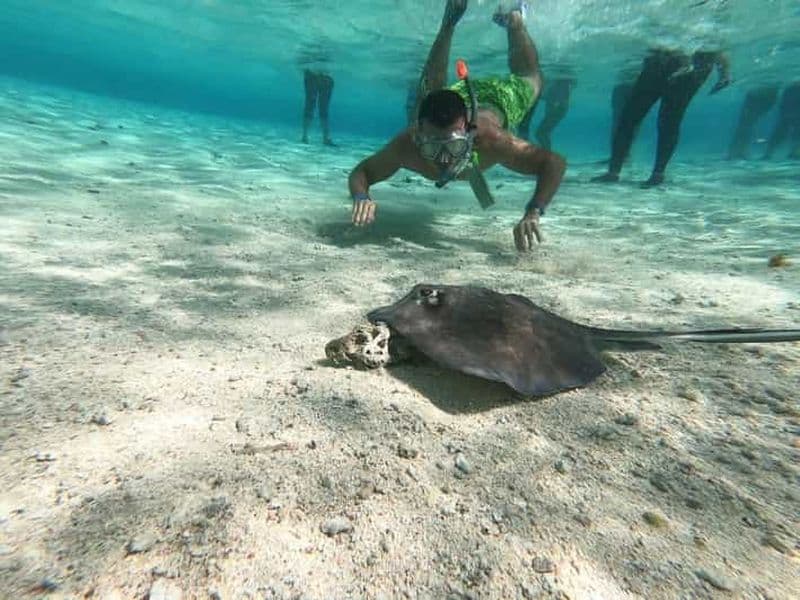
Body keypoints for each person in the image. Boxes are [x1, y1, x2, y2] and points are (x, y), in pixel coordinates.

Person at [347, 0, 565, 252]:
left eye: (453, 147)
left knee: (532, 79)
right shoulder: (409, 144)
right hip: (456, 97)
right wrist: (361, 197)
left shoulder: (491, 140)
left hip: (500, 101)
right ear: (419, 138)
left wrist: (533, 211)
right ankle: (449, 23)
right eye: (433, 148)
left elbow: (554, 163)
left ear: (470, 135)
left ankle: (515, 22)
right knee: (428, 98)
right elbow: (361, 173)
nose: (443, 160)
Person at [592, 48, 731, 187]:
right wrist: (724, 73)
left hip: (686, 68)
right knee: (632, 117)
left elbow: (716, 49)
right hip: (667, 63)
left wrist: (724, 73)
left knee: (666, 120)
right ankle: (616, 172)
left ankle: (655, 174)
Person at [517, 75, 575, 149]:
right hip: (556, 110)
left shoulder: (560, 88)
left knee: (541, 134)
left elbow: (558, 99)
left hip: (557, 112)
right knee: (541, 134)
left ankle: (546, 153)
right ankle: (545, 152)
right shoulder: (556, 88)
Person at [727, 85, 779, 160]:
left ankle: (738, 150)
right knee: (747, 124)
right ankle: (737, 151)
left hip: (764, 95)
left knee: (746, 124)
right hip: (762, 94)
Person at [763, 82, 800, 160]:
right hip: (790, 111)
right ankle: (794, 151)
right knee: (784, 131)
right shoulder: (790, 89)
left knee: (783, 131)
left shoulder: (790, 89)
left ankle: (769, 153)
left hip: (789, 111)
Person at [301, 69, 336, 146]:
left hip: (316, 76)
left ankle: (305, 136)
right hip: (323, 77)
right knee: (321, 108)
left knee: (312, 106)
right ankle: (324, 138)